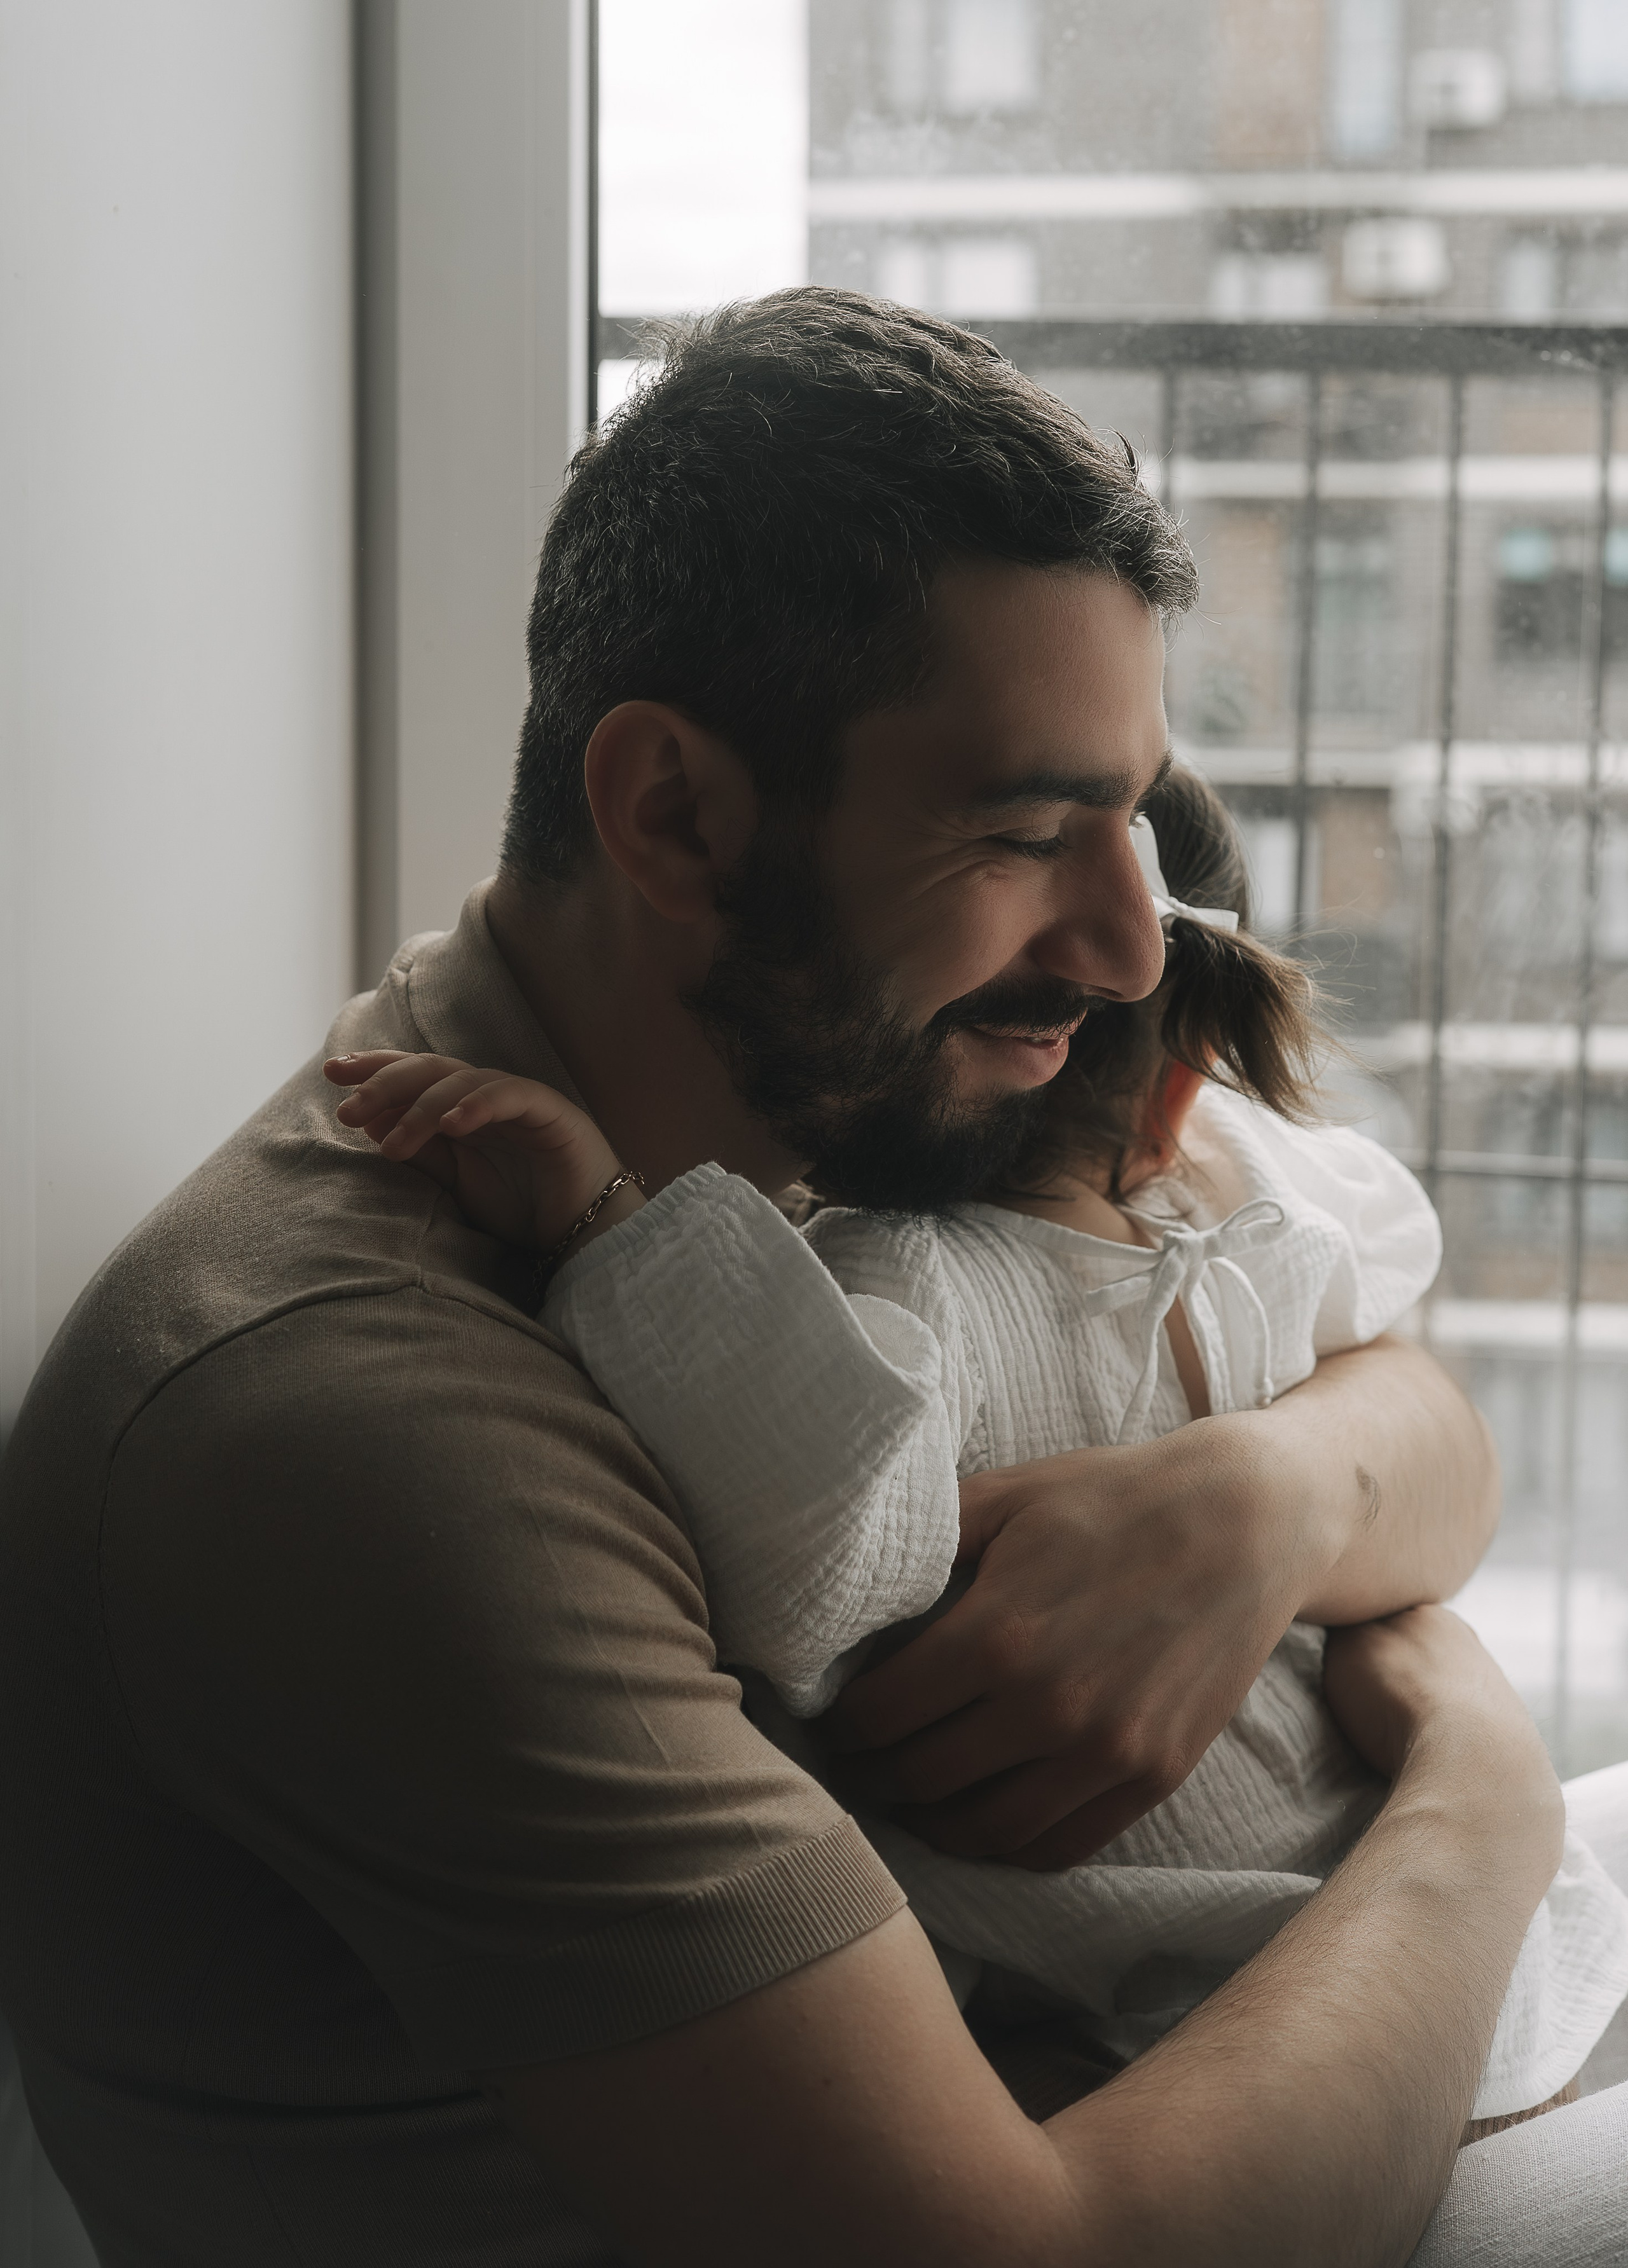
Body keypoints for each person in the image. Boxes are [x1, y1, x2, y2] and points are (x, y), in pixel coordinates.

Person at [0, 287, 1623, 2267]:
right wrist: (1478, 1797)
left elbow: (1415, 1409)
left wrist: (1260, 1501)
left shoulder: (847, 1105)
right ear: (674, 811)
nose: (1130, 951)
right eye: (1032, 831)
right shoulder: (372, 1423)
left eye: (1134, 823)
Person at [324, 760, 1628, 2143]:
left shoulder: (904, 1285)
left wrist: (611, 1222)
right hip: (1362, 1938)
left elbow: (818, 1537)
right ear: (1184, 1097)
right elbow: (1380, 1250)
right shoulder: (1258, 1247)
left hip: (1239, 1999)